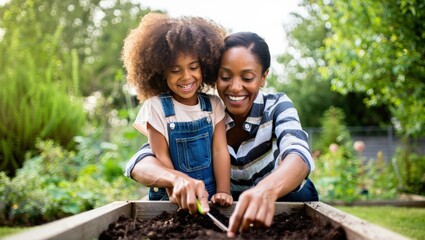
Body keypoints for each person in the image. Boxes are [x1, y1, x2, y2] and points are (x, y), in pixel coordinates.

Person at [125, 31, 319, 237]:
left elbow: (298, 154)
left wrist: (267, 190)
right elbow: (141, 162)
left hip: (286, 204)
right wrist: (175, 178)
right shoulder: (202, 113)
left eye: (247, 77)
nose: (235, 87)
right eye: (225, 77)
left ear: (263, 77)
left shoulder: (277, 106)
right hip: (227, 211)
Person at [121, 13, 233, 207]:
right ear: (161, 71)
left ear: (204, 67)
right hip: (170, 201)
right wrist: (176, 192)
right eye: (175, 70)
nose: (186, 76)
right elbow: (161, 157)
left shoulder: (213, 105)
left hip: (210, 196)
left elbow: (220, 150)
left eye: (193, 67)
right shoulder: (155, 108)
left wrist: (223, 191)